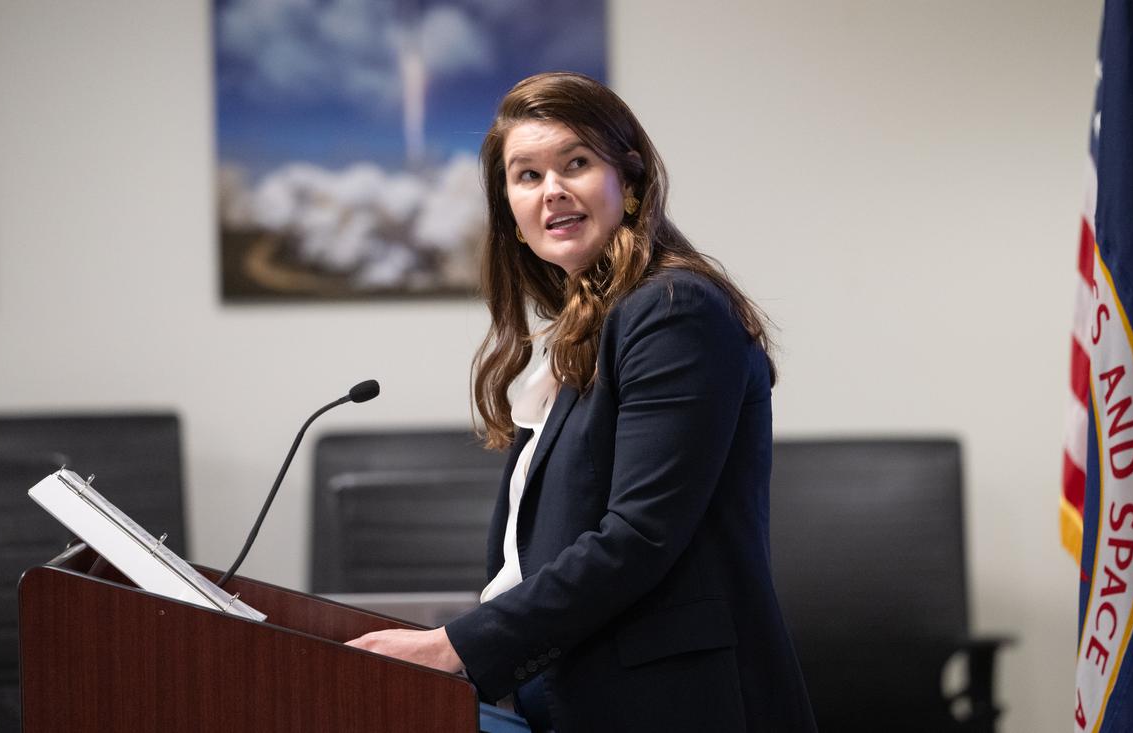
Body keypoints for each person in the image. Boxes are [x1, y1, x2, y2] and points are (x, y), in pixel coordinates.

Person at [347, 71, 816, 732]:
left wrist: (449, 647)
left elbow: (638, 536)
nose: (553, 190)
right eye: (527, 175)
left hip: (666, 706)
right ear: (508, 209)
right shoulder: (588, 324)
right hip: (568, 694)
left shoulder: (671, 309)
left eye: (576, 163)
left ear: (629, 183)